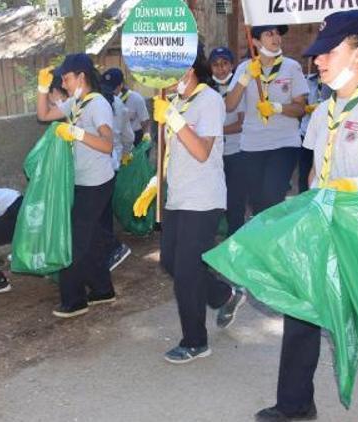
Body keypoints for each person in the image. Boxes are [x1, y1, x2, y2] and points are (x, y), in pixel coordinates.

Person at [255, 10, 358, 421]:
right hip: (323, 229)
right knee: (301, 310)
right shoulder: (325, 110)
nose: (318, 61)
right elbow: (315, 168)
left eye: (329, 52)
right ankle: (295, 403)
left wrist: (357, 187)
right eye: (317, 54)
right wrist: (312, 201)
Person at [133, 44, 246, 364]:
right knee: (170, 262)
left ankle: (195, 341)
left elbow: (201, 151)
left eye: (169, 70)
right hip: (178, 194)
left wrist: (172, 117)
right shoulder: (176, 101)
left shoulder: (208, 100)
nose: (164, 78)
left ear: (189, 67)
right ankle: (225, 295)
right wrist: (158, 180)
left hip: (204, 197)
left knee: (186, 271)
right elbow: (175, 152)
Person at [36, 53, 117, 318]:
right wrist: (41, 88)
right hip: (81, 181)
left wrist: (77, 133)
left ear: (81, 77)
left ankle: (74, 300)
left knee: (74, 240)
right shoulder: (76, 102)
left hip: (96, 182)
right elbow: (44, 114)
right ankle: (103, 290)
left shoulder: (97, 105)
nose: (64, 83)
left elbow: (107, 145)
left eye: (66, 78)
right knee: (90, 237)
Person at [225, 25, 308, 216]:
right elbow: (229, 105)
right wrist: (245, 77)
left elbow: (300, 108)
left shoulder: (291, 66)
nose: (276, 38)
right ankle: (263, 241)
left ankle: (274, 238)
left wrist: (277, 108)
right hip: (252, 145)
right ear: (255, 41)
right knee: (257, 202)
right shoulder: (245, 68)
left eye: (278, 33)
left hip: (284, 143)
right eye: (269, 34)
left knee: (273, 194)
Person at [209, 46, 246, 235]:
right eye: (216, 65)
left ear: (232, 65)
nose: (221, 69)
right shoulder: (207, 89)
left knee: (235, 201)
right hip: (212, 155)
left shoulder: (238, 89)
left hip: (235, 152)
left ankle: (235, 239)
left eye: (224, 64)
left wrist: (212, 131)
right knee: (213, 198)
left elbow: (241, 124)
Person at [101, 72, 135, 271]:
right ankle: (109, 248)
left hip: (103, 161)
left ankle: (112, 248)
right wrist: (127, 153)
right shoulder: (118, 104)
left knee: (100, 212)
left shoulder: (93, 102)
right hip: (113, 160)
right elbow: (127, 135)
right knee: (104, 210)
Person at [298, 68, 332, 194]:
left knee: (320, 168)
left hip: (326, 133)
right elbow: (299, 103)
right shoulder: (307, 80)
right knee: (305, 171)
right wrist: (306, 108)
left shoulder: (333, 81)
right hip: (306, 131)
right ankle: (303, 201)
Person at [102, 67, 151, 146]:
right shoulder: (104, 99)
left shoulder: (136, 99)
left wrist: (146, 137)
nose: (110, 91)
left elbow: (145, 121)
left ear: (121, 85)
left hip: (135, 139)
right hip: (115, 138)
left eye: (113, 88)